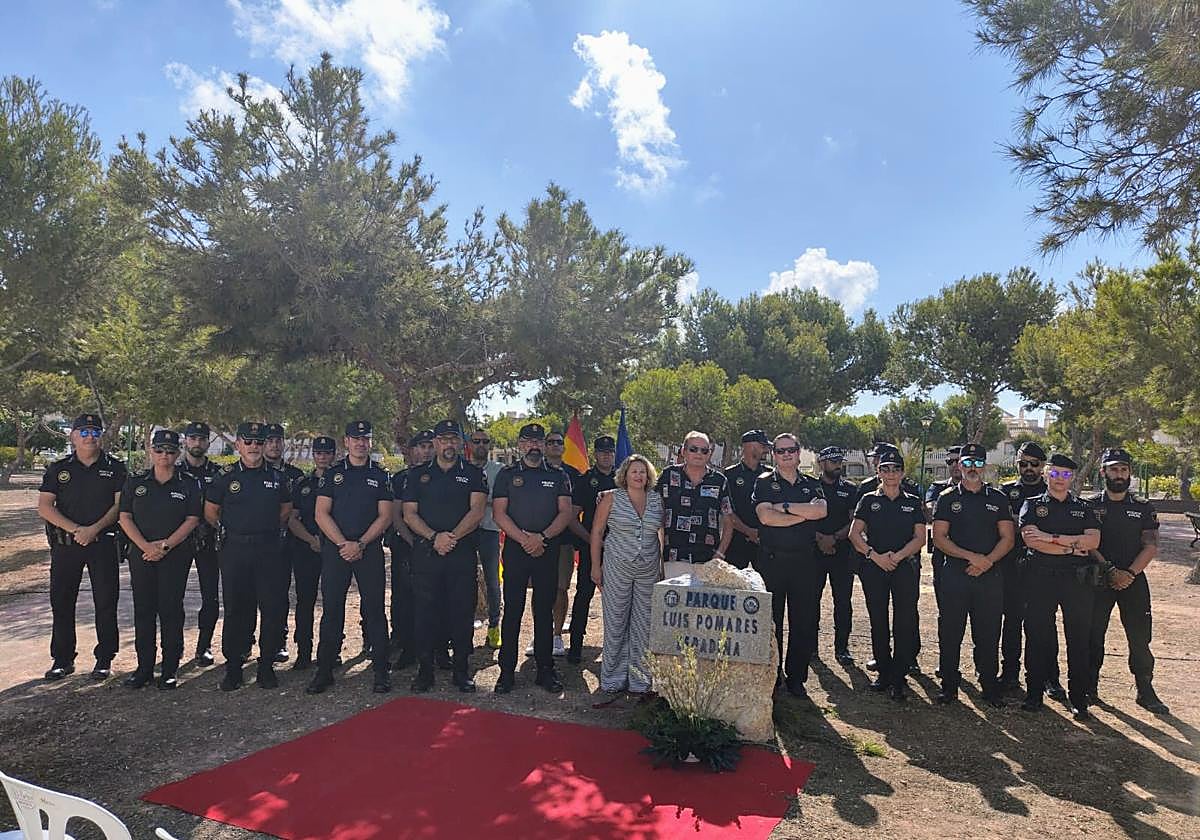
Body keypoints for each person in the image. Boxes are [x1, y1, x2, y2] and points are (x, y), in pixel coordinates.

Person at [37, 413, 127, 681]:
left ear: (102, 436)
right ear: (73, 436)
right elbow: (45, 507)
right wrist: (77, 530)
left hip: (103, 544)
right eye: (84, 432)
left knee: (106, 602)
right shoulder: (58, 469)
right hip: (67, 545)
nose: (90, 437)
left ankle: (104, 658)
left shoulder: (115, 468)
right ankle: (62, 659)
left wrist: (94, 529)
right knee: (62, 601)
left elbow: (120, 506)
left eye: (95, 432)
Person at [307, 420, 394, 694]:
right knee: (332, 610)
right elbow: (321, 513)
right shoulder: (332, 474)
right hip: (337, 550)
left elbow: (385, 515)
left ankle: (381, 671)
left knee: (375, 611)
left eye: (365, 439)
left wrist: (361, 543)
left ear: (370, 442)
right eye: (355, 438)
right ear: (346, 442)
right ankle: (324, 670)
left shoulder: (380, 476)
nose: (360, 443)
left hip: (368, 551)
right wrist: (343, 543)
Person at [205, 422, 293, 691]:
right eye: (249, 442)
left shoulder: (279, 478)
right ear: (238, 444)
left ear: (266, 444)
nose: (254, 447)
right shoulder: (225, 476)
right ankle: (233, 668)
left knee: (271, 608)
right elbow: (211, 512)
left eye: (259, 442)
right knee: (235, 609)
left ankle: (266, 666)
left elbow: (285, 510)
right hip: (235, 550)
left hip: (268, 550)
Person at [402, 420, 488, 692]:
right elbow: (409, 513)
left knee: (462, 612)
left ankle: (461, 671)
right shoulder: (417, 475)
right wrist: (433, 537)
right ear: (436, 443)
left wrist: (451, 538)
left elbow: (477, 511)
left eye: (454, 439)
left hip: (460, 553)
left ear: (460, 443)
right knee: (425, 612)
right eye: (444, 440)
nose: (448, 444)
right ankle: (425, 671)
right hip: (427, 553)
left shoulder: (473, 473)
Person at [491, 423, 576, 694]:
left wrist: (542, 537)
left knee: (543, 611)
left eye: (539, 441)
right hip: (517, 550)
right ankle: (506, 670)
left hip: (546, 549)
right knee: (513, 610)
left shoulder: (559, 475)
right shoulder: (506, 474)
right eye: (528, 441)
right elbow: (499, 514)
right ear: (520, 444)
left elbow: (565, 512)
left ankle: (545, 668)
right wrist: (525, 539)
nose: (534, 446)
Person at [930, 443, 1015, 707]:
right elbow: (939, 538)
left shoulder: (998, 498)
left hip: (989, 576)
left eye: (978, 464)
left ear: (985, 467)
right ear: (959, 466)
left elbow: (1008, 538)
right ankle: (949, 686)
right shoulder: (946, 498)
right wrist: (972, 558)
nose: (972, 469)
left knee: (988, 633)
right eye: (967, 464)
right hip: (955, 573)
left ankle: (989, 686)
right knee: (951, 631)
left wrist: (987, 561)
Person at [1018, 453, 1101, 719]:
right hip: (1040, 577)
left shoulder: (1083, 507)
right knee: (1037, 635)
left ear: (1073, 477)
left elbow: (1093, 542)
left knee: (1078, 638)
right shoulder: (1032, 505)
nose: (1059, 479)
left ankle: (1079, 698)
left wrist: (1051, 538)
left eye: (1065, 474)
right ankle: (1033, 694)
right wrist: (1070, 546)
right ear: (1046, 474)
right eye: (1055, 473)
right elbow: (1031, 541)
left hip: (1075, 580)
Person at [1085, 448, 1168, 713]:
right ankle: (1089, 686)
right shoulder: (1090, 506)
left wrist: (1129, 573)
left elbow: (1151, 545)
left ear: (1129, 472)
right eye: (1113, 469)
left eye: (1123, 469)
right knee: (1093, 634)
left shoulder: (1143, 507)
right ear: (1103, 472)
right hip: (1099, 579)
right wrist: (1109, 570)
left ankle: (1145, 688)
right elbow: (1088, 544)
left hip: (1134, 579)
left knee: (1140, 636)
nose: (1119, 474)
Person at [118, 429, 202, 690]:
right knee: (144, 611)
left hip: (174, 555)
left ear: (178, 454)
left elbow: (192, 519)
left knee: (171, 610)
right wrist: (145, 546)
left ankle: (169, 668)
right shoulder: (136, 481)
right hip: (142, 555)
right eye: (159, 450)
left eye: (170, 451)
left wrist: (164, 546)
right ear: (151, 451)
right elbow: (125, 517)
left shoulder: (188, 483)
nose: (164, 455)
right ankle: (144, 668)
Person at [752, 432, 828, 696]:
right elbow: (765, 518)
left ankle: (796, 678)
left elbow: (820, 511)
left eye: (791, 450)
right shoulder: (763, 482)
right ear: (773, 454)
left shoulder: (812, 484)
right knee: (771, 621)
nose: (786, 454)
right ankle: (772, 677)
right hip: (772, 560)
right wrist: (802, 513)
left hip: (804, 561)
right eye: (781, 450)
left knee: (803, 621)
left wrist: (783, 506)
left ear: (798, 452)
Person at [848, 449, 926, 701]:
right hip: (875, 567)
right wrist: (874, 556)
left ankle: (899, 675)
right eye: (885, 469)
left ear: (902, 473)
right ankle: (883, 671)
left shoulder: (913, 501)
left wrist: (899, 556)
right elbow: (854, 534)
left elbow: (921, 537)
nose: (890, 474)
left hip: (903, 567)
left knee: (903, 622)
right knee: (878, 620)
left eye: (895, 469)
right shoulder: (869, 500)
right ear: (878, 472)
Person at [589, 454, 664, 695]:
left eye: (643, 472)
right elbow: (597, 533)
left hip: (648, 569)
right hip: (616, 567)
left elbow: (660, 535)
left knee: (643, 623)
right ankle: (612, 677)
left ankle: (640, 679)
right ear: (625, 475)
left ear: (649, 475)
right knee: (616, 621)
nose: (639, 476)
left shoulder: (656, 499)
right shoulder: (611, 498)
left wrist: (662, 569)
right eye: (634, 471)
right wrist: (595, 566)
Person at [999, 441, 1062, 697]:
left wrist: (1025, 526)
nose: (1028, 469)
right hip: (1012, 567)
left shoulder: (1054, 494)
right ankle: (1010, 674)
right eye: (1023, 464)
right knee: (1011, 622)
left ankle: (1050, 677)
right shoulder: (1004, 492)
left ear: (1043, 467)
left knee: (1045, 624)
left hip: (1044, 568)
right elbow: (1003, 528)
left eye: (1034, 464)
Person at [565, 435, 618, 664]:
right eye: (602, 451)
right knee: (584, 595)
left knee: (617, 599)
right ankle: (576, 643)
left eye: (610, 451)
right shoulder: (586, 480)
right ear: (595, 454)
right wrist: (592, 541)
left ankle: (616, 647)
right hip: (591, 548)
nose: (606, 455)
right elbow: (571, 517)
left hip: (618, 550)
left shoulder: (623, 480)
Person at [286, 435, 337, 670]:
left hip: (334, 550)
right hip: (306, 549)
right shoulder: (302, 484)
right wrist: (311, 539)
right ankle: (303, 652)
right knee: (305, 602)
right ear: (313, 455)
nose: (323, 457)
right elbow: (292, 518)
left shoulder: (342, 481)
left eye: (327, 453)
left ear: (334, 455)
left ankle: (332, 650)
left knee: (333, 602)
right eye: (319, 453)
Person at [656, 431, 733, 579]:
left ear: (709, 454)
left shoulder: (719, 481)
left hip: (707, 561)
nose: (699, 453)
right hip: (673, 558)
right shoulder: (668, 475)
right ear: (683, 451)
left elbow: (729, 522)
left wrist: (719, 555)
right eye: (693, 449)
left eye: (704, 450)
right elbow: (650, 507)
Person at [177, 421, 223, 666]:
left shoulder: (217, 473)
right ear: (185, 441)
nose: (197, 443)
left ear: (208, 442)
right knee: (174, 598)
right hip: (179, 542)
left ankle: (204, 646)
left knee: (210, 597)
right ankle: (174, 648)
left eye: (201, 439)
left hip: (208, 541)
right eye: (192, 438)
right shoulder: (173, 471)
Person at [388, 429, 434, 669]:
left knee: (435, 598)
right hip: (407, 545)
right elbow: (396, 515)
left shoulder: (440, 475)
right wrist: (412, 541)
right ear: (413, 450)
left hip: (435, 545)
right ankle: (407, 646)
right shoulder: (401, 478)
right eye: (421, 447)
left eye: (429, 446)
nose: (426, 451)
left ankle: (436, 647)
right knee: (404, 599)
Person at [813, 446, 859, 665]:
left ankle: (842, 647)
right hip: (814, 552)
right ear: (821, 463)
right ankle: (810, 647)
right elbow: (804, 517)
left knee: (842, 602)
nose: (837, 465)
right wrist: (820, 539)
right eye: (832, 461)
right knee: (811, 601)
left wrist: (834, 538)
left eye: (839, 461)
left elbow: (854, 521)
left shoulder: (850, 489)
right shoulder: (810, 486)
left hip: (842, 552)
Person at [264, 422, 305, 664]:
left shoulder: (295, 475)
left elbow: (298, 511)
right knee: (256, 595)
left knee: (281, 594)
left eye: (278, 441)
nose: (274, 445)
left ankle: (280, 641)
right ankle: (249, 641)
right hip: (262, 542)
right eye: (269, 441)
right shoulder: (252, 472)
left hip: (291, 542)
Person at [545, 430, 581, 658]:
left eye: (559, 442)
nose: (555, 446)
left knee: (560, 588)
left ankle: (557, 634)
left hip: (564, 541)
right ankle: (542, 633)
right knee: (540, 590)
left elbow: (577, 509)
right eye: (551, 442)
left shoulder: (573, 475)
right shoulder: (533, 468)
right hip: (536, 541)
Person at [468, 428, 504, 650]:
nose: (481, 444)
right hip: (466, 532)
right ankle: (465, 626)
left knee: (492, 581)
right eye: (476, 441)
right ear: (469, 444)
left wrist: (480, 503)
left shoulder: (499, 471)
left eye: (485, 441)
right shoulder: (462, 469)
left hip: (490, 530)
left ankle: (494, 625)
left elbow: (500, 501)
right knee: (464, 579)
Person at [724, 430, 769, 571]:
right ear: (750, 446)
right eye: (763, 446)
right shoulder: (730, 474)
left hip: (764, 542)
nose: (766, 450)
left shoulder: (770, 475)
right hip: (736, 541)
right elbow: (727, 510)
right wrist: (748, 531)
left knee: (767, 588)